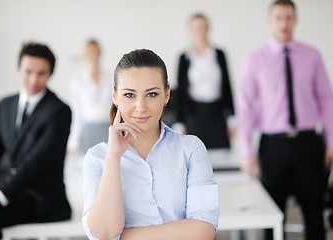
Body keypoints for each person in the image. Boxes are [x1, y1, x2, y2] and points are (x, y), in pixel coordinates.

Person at [82, 49, 218, 240]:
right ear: (114, 96)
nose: (141, 106)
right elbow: (103, 233)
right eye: (129, 95)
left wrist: (123, 237)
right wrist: (113, 157)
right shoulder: (97, 157)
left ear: (167, 94)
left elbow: (204, 231)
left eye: (152, 94)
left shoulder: (191, 148)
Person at [237, 1, 333, 239]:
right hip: (273, 146)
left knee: (314, 211)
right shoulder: (254, 60)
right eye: (279, 18)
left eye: (288, 18)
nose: (284, 23)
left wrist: (331, 141)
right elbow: (245, 108)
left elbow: (326, 100)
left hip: (309, 143)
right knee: (272, 214)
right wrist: (247, 151)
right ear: (270, 21)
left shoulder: (312, 55)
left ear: (295, 20)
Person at [0, 42, 72, 239]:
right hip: (9, 191)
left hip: (39, 197)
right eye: (28, 71)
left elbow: (35, 163)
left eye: (41, 73)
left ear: (50, 74)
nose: (34, 79)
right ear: (19, 70)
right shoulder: (5, 105)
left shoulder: (59, 111)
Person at [174, 13, 235, 160]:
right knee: (195, 158)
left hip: (216, 114)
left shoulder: (219, 55)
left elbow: (227, 86)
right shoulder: (184, 58)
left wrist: (232, 118)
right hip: (194, 116)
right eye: (195, 28)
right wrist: (179, 122)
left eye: (202, 28)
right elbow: (181, 92)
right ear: (189, 31)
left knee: (221, 158)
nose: (199, 32)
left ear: (208, 29)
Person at [68, 39, 112, 154]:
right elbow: (76, 113)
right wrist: (73, 141)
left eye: (95, 52)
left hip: (107, 129)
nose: (93, 56)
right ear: (84, 55)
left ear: (100, 53)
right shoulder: (77, 82)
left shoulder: (111, 78)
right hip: (88, 131)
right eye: (89, 53)